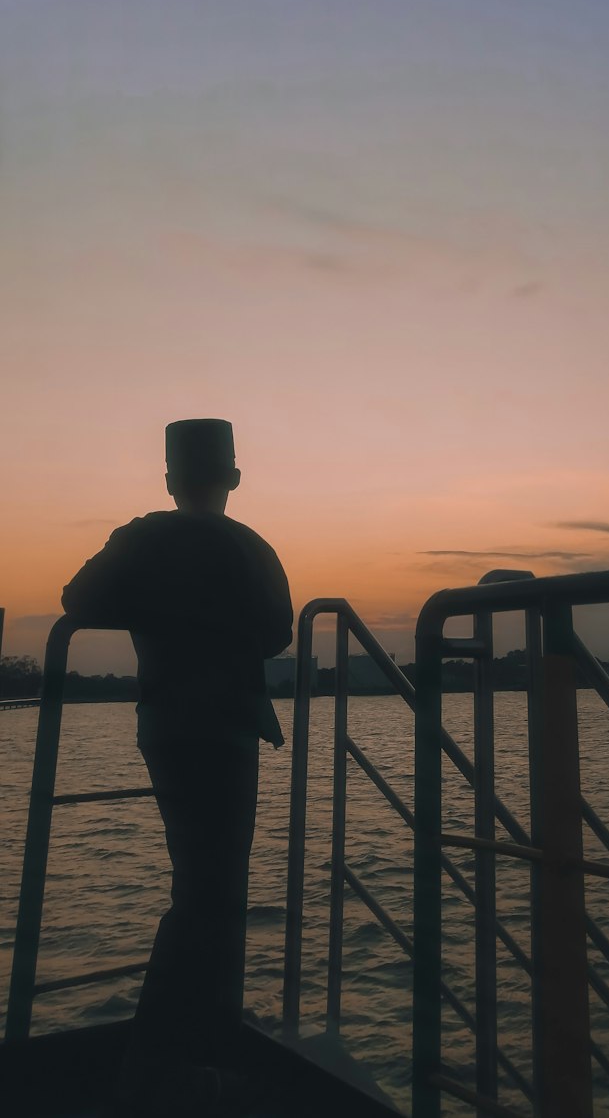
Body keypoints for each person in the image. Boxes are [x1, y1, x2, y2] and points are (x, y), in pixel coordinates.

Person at [61, 419, 293, 1116]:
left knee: (204, 893)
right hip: (229, 732)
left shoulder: (143, 538)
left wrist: (159, 610)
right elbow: (278, 629)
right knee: (212, 897)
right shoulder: (252, 546)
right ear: (234, 479)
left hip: (168, 727)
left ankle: (185, 1060)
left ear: (168, 480)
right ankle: (161, 1070)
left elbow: (80, 600)